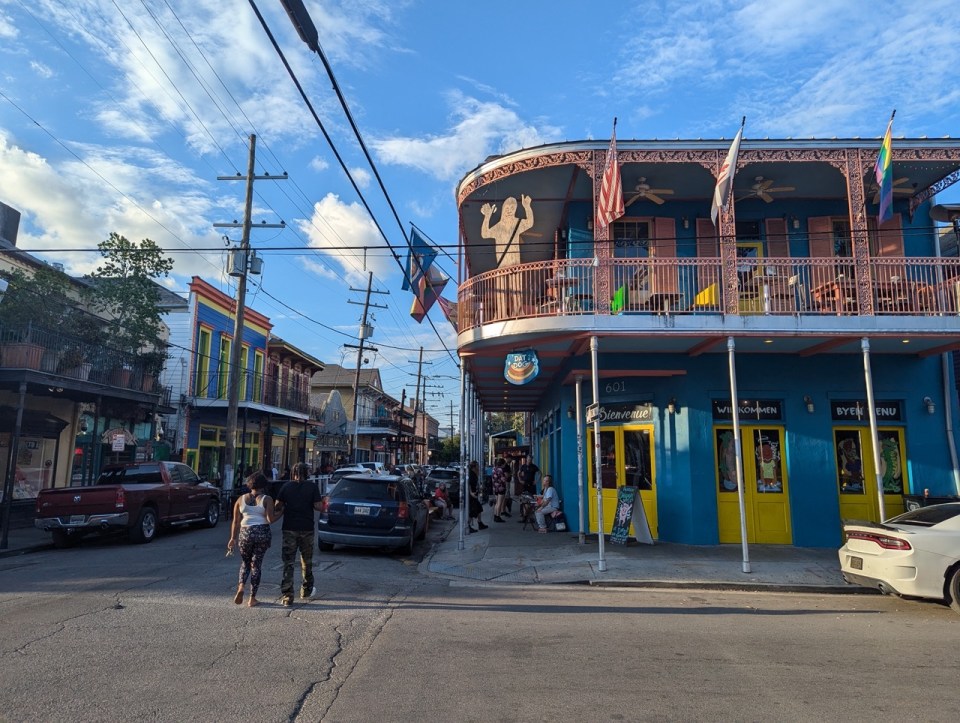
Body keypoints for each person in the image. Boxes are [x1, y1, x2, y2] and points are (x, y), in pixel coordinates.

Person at [274, 462, 324, 607]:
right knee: (306, 561)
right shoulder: (312, 487)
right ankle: (306, 590)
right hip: (307, 528)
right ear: (306, 473)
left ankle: (287, 595)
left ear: (293, 473)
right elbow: (318, 506)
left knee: (288, 562)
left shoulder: (286, 487)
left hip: (289, 528)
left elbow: (277, 506)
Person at [227, 472, 278, 607]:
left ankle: (241, 587)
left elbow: (235, 521)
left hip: (245, 533)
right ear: (263, 485)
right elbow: (270, 519)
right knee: (256, 565)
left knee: (245, 563)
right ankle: (252, 598)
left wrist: (232, 538)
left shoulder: (241, 499)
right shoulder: (267, 499)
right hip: (261, 533)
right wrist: (281, 512)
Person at [467, 460, 487, 532]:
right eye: (477, 466)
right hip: (471, 495)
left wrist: (479, 489)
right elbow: (468, 484)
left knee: (479, 509)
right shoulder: (470, 474)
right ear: (474, 467)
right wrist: (471, 493)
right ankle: (468, 527)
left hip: (474, 494)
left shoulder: (474, 473)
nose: (478, 467)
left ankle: (480, 523)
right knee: (472, 511)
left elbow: (476, 483)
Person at [492, 458, 509, 523]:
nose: (505, 465)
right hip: (501, 488)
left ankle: (495, 515)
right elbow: (503, 479)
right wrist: (506, 477)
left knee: (496, 503)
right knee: (499, 503)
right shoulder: (501, 470)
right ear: (502, 464)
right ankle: (498, 516)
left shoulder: (494, 469)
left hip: (495, 487)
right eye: (504, 464)